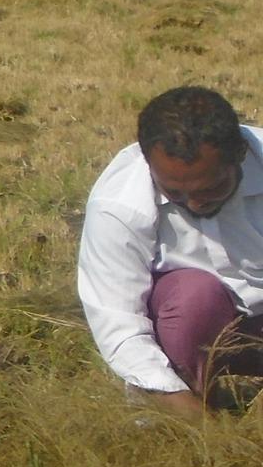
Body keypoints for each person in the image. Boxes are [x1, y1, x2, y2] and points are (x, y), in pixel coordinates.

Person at [78, 86, 263, 416]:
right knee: (194, 297)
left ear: (241, 153)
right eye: (175, 192)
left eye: (212, 188)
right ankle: (191, 402)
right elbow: (119, 324)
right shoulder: (118, 206)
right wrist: (189, 416)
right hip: (188, 331)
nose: (195, 203)